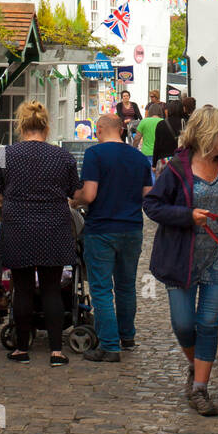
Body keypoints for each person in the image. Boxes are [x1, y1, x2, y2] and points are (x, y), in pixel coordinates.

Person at [143, 108, 218, 417]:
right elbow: (152, 205)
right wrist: (187, 216)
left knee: (207, 324)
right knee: (183, 324)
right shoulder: (178, 168)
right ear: (208, 135)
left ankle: (201, 388)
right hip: (181, 257)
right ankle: (195, 365)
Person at [0, 100, 79, 365]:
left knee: (24, 288)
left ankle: (21, 349)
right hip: (54, 226)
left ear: (21, 125)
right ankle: (56, 351)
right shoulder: (63, 156)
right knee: (52, 288)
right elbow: (73, 192)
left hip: (19, 226)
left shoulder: (5, 154)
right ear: (46, 126)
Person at [73, 112, 153, 360]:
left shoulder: (94, 155)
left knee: (102, 288)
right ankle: (127, 336)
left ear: (98, 130)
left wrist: (73, 201)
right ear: (121, 130)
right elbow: (149, 195)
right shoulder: (139, 158)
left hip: (102, 229)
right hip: (131, 228)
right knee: (126, 285)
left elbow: (89, 194)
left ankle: (109, 345)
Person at [133, 100, 164, 166]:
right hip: (160, 154)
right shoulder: (163, 122)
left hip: (146, 153)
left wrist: (134, 149)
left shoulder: (144, 122)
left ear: (150, 111)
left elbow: (137, 138)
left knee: (149, 174)